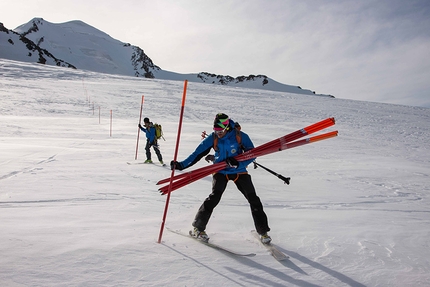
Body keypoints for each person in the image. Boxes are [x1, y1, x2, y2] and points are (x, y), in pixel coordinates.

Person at [170, 113, 272, 244]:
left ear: (227, 128)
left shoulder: (240, 136)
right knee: (214, 197)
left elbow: (253, 153)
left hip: (239, 171)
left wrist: (239, 163)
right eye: (215, 130)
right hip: (220, 170)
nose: (218, 133)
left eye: (220, 130)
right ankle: (198, 228)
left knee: (254, 199)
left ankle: (263, 232)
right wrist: (181, 165)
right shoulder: (213, 138)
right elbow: (197, 153)